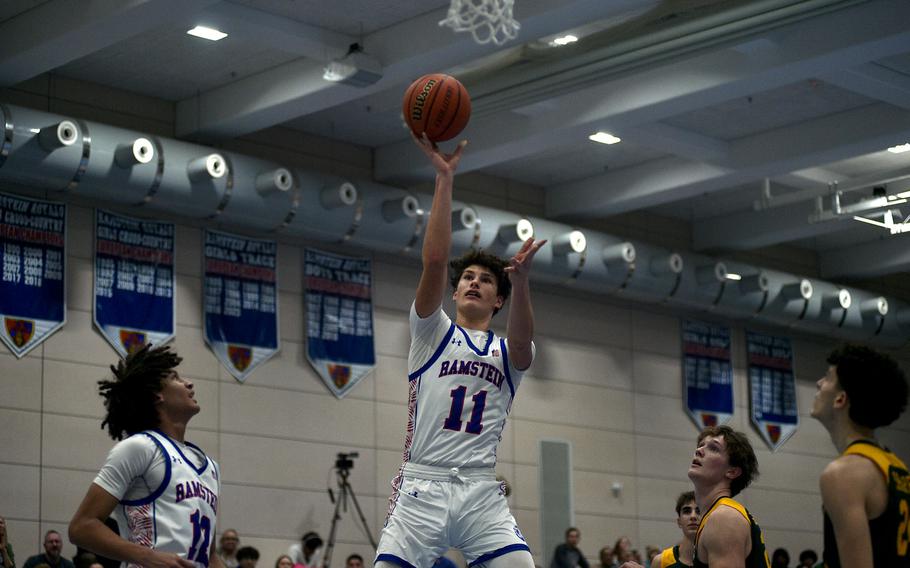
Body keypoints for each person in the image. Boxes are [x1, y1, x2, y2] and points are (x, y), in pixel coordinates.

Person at [373, 132, 545, 568]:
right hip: (421, 485)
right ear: (454, 292)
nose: (473, 282)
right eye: (467, 277)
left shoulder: (507, 353)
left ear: (498, 300)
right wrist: (444, 179)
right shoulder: (433, 332)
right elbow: (434, 261)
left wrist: (522, 281)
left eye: (486, 280)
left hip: (479, 490)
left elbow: (524, 342)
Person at [68, 344, 223, 568]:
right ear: (156, 395)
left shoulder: (210, 467)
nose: (189, 383)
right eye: (176, 378)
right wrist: (149, 556)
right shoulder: (140, 448)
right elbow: (81, 527)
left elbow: (210, 556)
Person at [810, 344, 909, 568]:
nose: (819, 383)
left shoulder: (843, 474)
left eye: (827, 378)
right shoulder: (895, 466)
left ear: (840, 399)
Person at [688, 425, 769, 568]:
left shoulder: (724, 517)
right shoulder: (719, 514)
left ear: (732, 471)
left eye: (713, 448)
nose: (699, 450)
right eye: (701, 445)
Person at [651, 491, 699, 568]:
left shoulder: (716, 559)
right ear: (679, 522)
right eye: (687, 511)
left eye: (698, 511)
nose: (693, 516)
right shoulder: (661, 561)